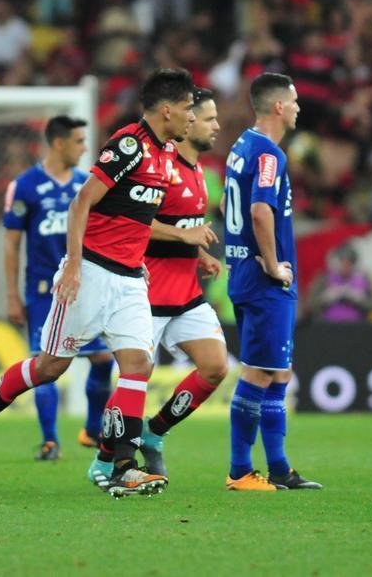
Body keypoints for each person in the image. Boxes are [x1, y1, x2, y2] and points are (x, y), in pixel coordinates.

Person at [0, 68, 197, 498]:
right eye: (189, 108)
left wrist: (148, 249)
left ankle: (121, 464)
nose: (192, 117)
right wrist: (74, 266)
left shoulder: (166, 154)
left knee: (138, 364)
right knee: (51, 366)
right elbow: (82, 201)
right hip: (92, 272)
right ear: (166, 109)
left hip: (129, 278)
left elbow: (134, 216)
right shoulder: (128, 146)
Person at [222, 72, 321, 491]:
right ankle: (240, 470)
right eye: (294, 101)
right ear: (279, 106)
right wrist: (274, 263)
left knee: (278, 371)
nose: (298, 107)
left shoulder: (241, 146)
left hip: (244, 272)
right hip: (264, 280)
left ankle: (279, 468)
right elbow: (261, 212)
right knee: (260, 372)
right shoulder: (269, 155)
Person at [2, 115, 115, 461]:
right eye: (79, 142)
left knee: (102, 357)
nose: (85, 148)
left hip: (84, 286)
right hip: (42, 291)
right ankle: (50, 441)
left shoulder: (86, 184)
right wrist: (12, 295)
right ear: (58, 143)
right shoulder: (24, 186)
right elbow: (11, 245)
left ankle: (93, 428)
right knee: (45, 363)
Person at [136, 88, 228, 478]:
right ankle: (106, 461)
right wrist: (185, 238)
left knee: (215, 368)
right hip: (147, 294)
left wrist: (199, 254)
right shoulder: (161, 167)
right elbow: (136, 223)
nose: (216, 126)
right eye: (208, 119)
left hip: (186, 293)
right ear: (188, 123)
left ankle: (154, 433)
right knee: (134, 380)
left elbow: (184, 227)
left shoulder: (202, 175)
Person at [310, 245, 372, 322]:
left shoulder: (364, 278)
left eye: (349, 264)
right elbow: (311, 305)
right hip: (329, 326)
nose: (345, 267)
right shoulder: (324, 278)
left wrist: (360, 299)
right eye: (342, 263)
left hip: (357, 325)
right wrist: (326, 297)